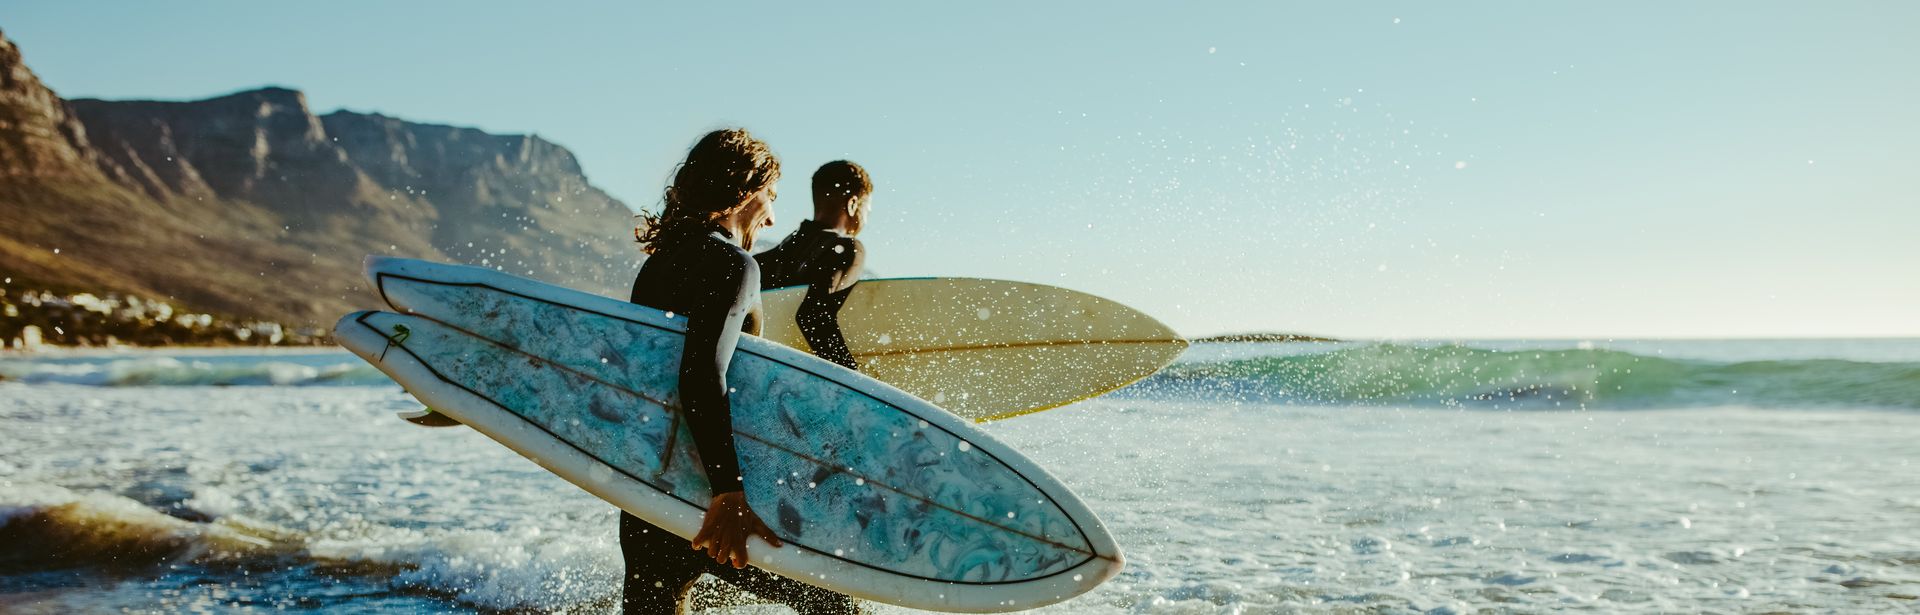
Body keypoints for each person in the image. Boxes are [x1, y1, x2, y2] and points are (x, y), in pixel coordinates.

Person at [622, 129, 857, 614]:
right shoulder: (731, 263)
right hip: (711, 494)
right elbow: (703, 373)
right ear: (746, 192)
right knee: (835, 606)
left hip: (648, 487)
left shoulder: (661, 264)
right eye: (770, 197)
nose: (771, 215)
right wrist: (728, 491)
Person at [753, 160, 875, 371]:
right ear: (853, 204)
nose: (867, 218)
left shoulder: (768, 258)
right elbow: (813, 316)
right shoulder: (847, 248)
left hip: (761, 367)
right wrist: (852, 377)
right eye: (868, 210)